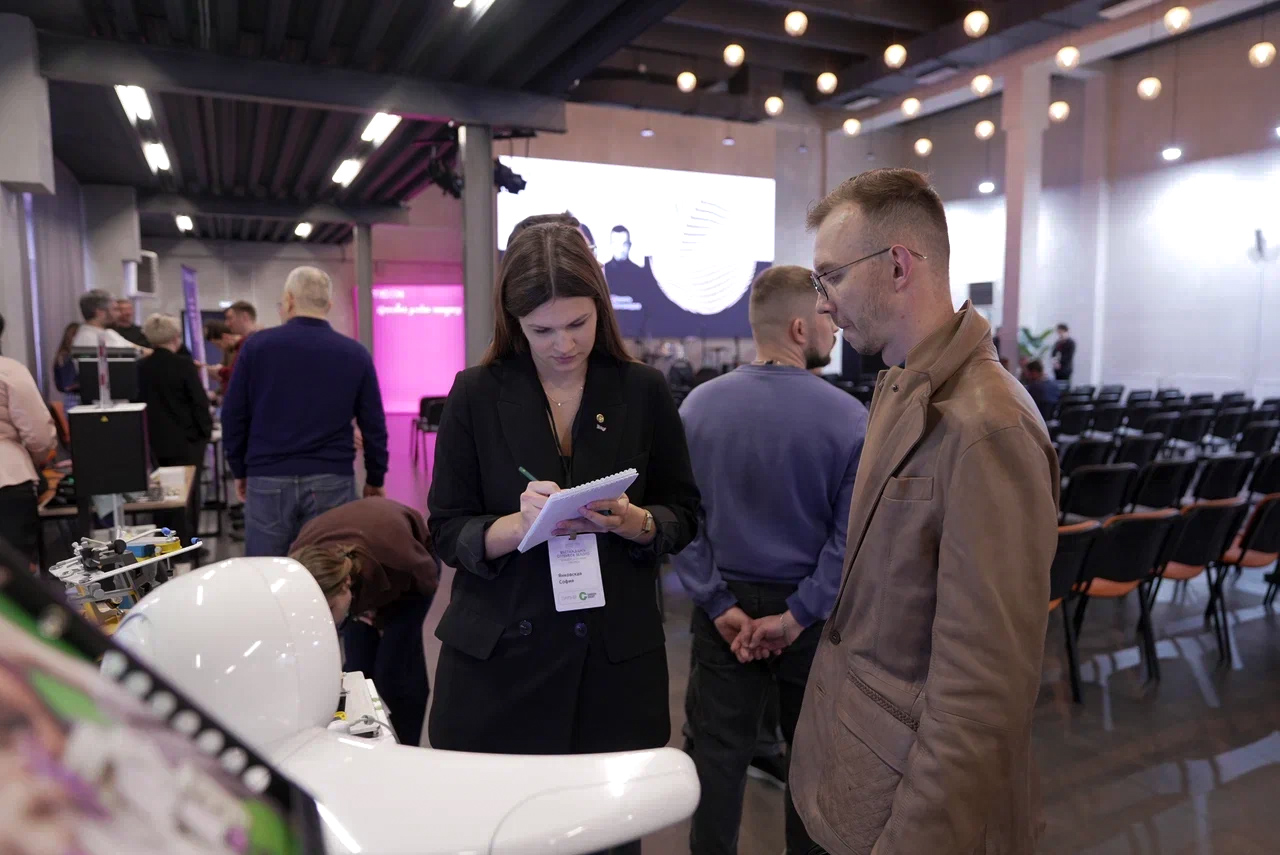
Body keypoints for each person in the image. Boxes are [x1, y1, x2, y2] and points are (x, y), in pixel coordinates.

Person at [788, 168, 1059, 855]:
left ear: (898, 266)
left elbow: (981, 696)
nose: (823, 303)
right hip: (860, 771)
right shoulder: (902, 386)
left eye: (831, 277)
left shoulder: (988, 427)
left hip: (904, 810)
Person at [426, 223, 700, 853]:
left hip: (610, 670)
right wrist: (516, 527)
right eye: (542, 330)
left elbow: (684, 512)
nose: (564, 344)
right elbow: (446, 530)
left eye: (578, 323)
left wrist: (636, 522)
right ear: (513, 322)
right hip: (502, 668)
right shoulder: (476, 394)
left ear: (601, 307)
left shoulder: (642, 390)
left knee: (607, 838)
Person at [675, 265, 867, 855]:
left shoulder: (696, 409)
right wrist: (796, 616)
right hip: (810, 620)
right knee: (811, 768)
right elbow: (848, 540)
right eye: (827, 318)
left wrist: (716, 602)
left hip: (724, 614)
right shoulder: (852, 419)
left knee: (716, 762)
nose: (835, 329)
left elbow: (683, 523)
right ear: (799, 328)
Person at [222, 267, 388, 557]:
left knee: (266, 571)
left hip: (267, 475)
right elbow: (373, 422)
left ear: (289, 300)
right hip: (332, 478)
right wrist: (375, 477)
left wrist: (240, 469)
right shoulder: (355, 353)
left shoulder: (256, 347)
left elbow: (233, 415)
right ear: (329, 305)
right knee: (329, 571)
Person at [290, 497, 439, 746]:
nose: (325, 621)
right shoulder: (299, 568)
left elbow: (428, 579)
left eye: (329, 610)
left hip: (412, 576)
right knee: (357, 668)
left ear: (347, 585)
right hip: (362, 563)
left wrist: (382, 619)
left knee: (394, 672)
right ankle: (357, 740)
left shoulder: (399, 561)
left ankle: (404, 747)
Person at [137, 314, 213, 546]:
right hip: (186, 441)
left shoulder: (140, 367)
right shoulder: (184, 365)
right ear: (176, 337)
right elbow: (199, 403)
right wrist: (205, 433)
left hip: (154, 442)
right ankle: (188, 545)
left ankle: (164, 543)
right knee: (187, 496)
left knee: (160, 496)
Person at [0, 330, 57, 564]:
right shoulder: (9, 371)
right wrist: (35, 460)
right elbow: (39, 435)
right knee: (12, 572)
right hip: (8, 479)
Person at [603, 225, 666, 338]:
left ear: (629, 245)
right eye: (616, 244)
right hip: (608, 333)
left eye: (624, 244)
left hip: (634, 333)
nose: (620, 249)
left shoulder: (640, 274)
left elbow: (646, 306)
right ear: (611, 245)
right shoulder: (602, 272)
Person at [72, 290, 146, 351]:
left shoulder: (109, 333)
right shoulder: (87, 339)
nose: (119, 314)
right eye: (115, 309)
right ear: (100, 312)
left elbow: (142, 351)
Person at [51, 323, 81, 409]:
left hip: (70, 398)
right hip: (74, 399)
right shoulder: (65, 358)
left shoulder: (62, 356)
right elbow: (68, 384)